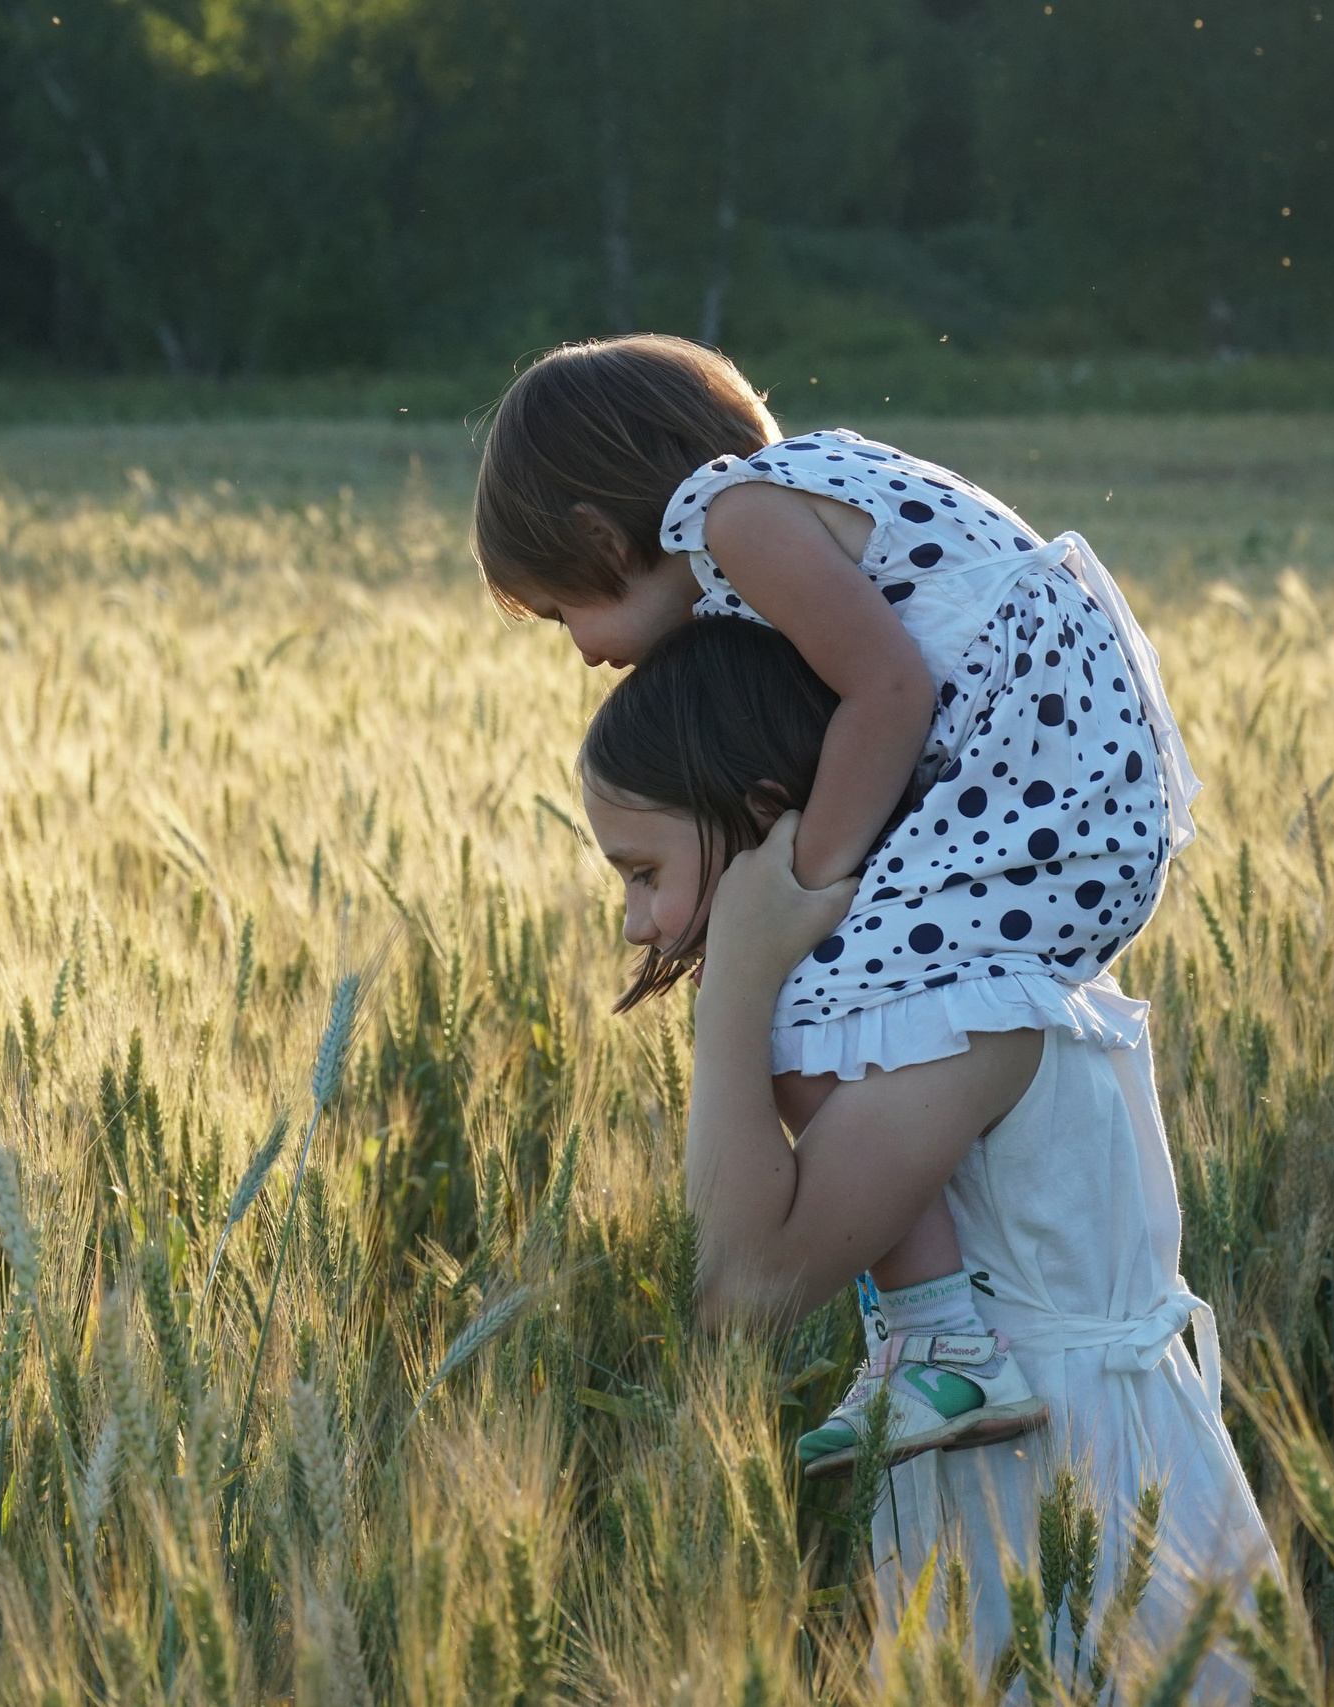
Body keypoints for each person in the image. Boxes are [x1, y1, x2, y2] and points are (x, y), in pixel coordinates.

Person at [473, 333, 1201, 1474]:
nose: (577, 655)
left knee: (812, 1001)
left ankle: (937, 1342)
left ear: (600, 539)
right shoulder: (790, 500)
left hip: (1046, 799)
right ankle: (929, 1339)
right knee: (822, 1001)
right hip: (1067, 792)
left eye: (563, 615)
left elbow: (891, 687)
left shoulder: (733, 521)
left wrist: (807, 879)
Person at [579, 619, 1275, 1681]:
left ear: (765, 826)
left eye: (641, 870)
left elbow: (742, 1285)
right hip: (1003, 1479)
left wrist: (736, 989)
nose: (633, 923)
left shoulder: (967, 1015)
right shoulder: (911, 1005)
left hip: (1078, 1494)